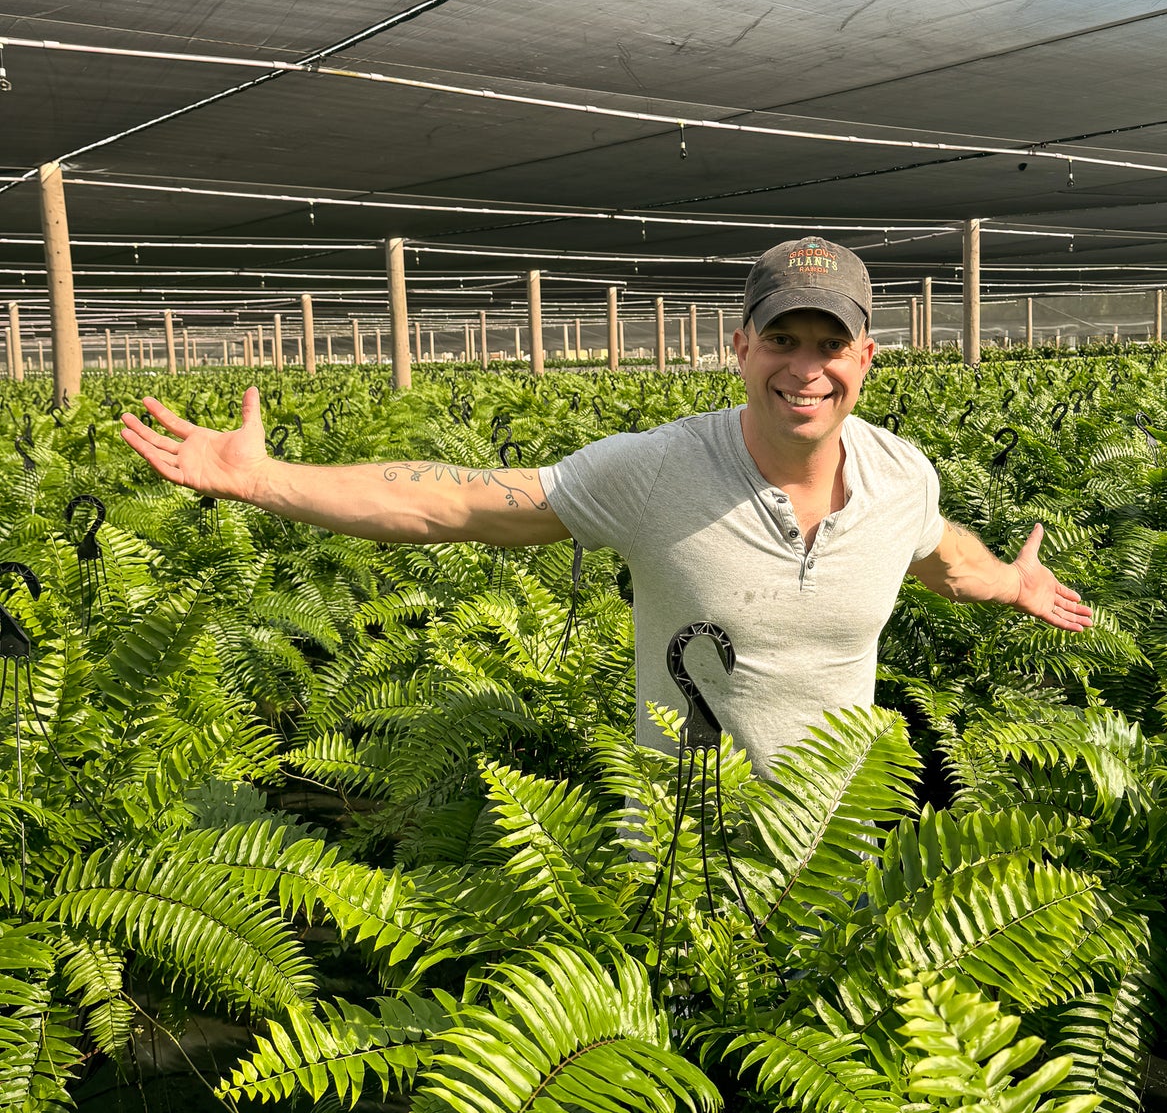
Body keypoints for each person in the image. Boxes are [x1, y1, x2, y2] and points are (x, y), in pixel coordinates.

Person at [121, 235, 1091, 775]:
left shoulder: (901, 476)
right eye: (780, 339)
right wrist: (265, 479)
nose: (806, 368)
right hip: (676, 851)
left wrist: (1010, 580)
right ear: (739, 349)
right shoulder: (659, 470)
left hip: (838, 848)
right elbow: (458, 501)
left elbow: (934, 552)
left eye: (828, 343)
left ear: (865, 357)